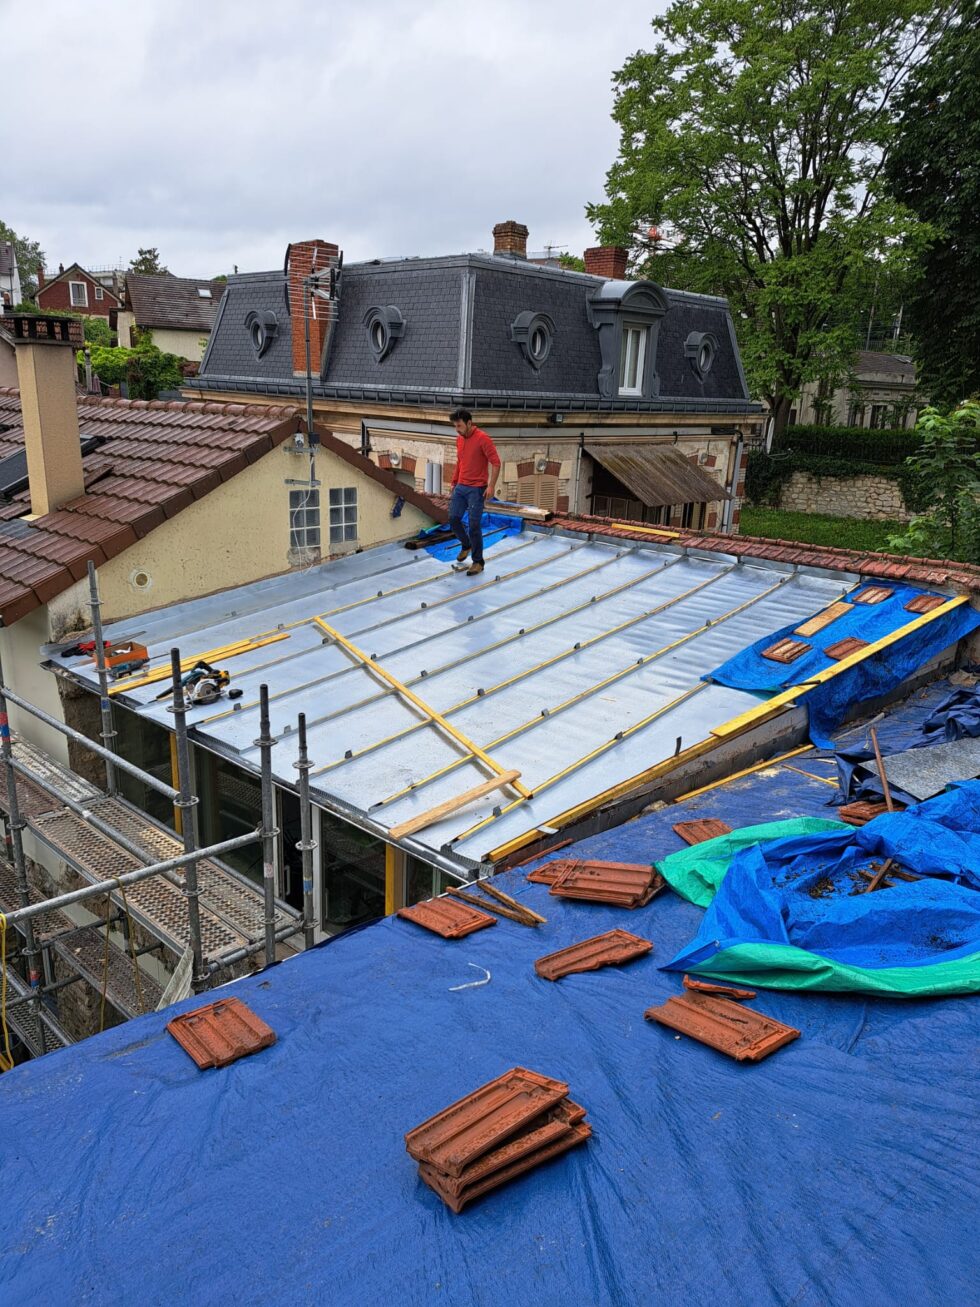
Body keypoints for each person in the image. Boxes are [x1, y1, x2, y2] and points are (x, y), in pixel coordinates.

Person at [447, 407, 500, 576]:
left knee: (474, 525)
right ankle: (466, 545)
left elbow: (496, 463)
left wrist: (491, 486)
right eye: (455, 426)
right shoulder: (460, 440)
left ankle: (478, 561)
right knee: (453, 519)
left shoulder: (483, 439)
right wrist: (454, 482)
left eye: (459, 426)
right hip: (461, 487)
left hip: (477, 489)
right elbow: (460, 462)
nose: (457, 429)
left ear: (469, 423)